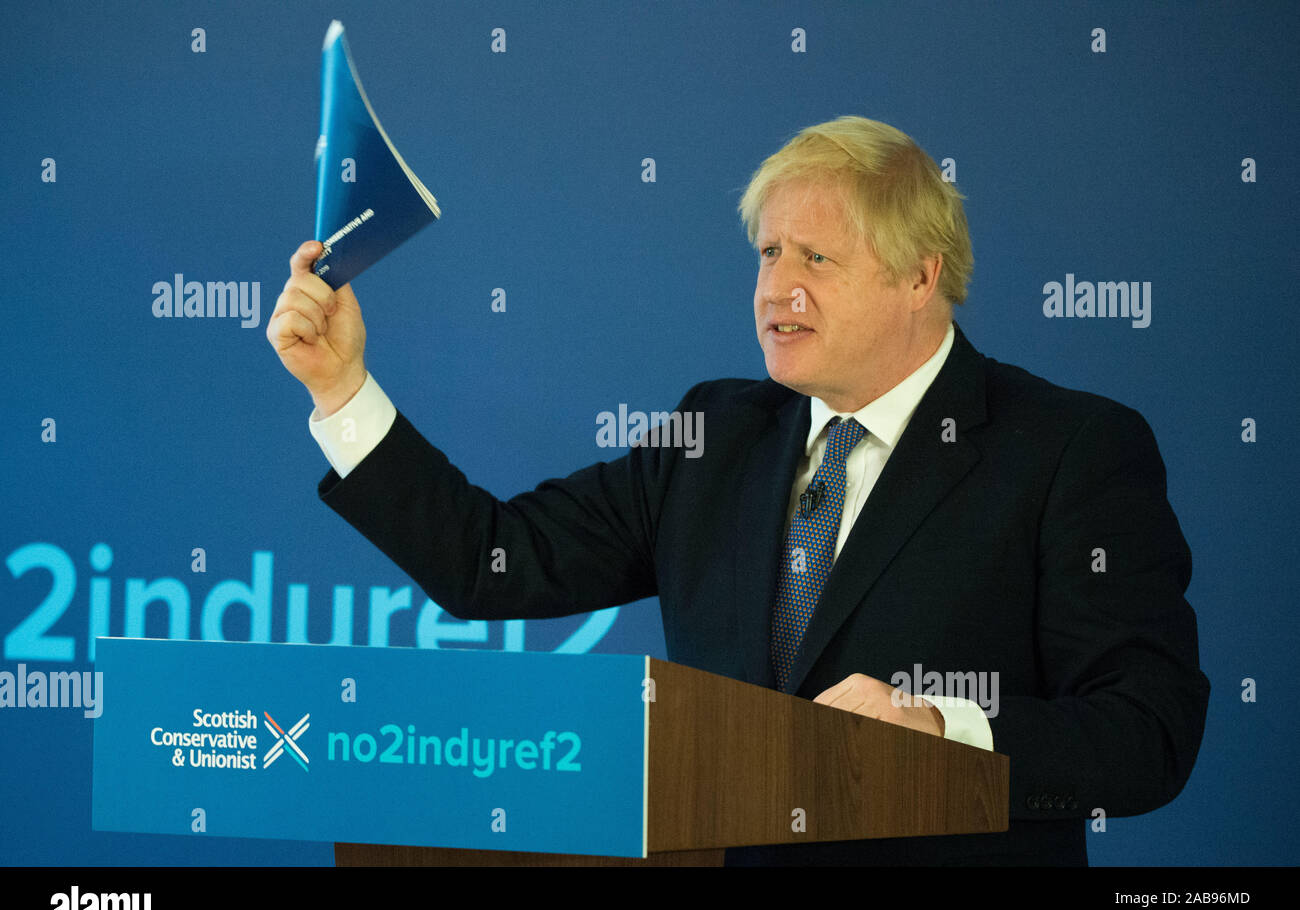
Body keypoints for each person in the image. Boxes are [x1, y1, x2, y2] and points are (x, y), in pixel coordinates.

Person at [267, 116, 1209, 865]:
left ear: (921, 276)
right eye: (767, 255)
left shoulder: (1068, 449)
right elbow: (492, 565)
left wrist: (938, 727)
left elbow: (1147, 731)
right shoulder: (711, 435)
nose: (776, 290)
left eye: (816, 260)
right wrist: (342, 390)